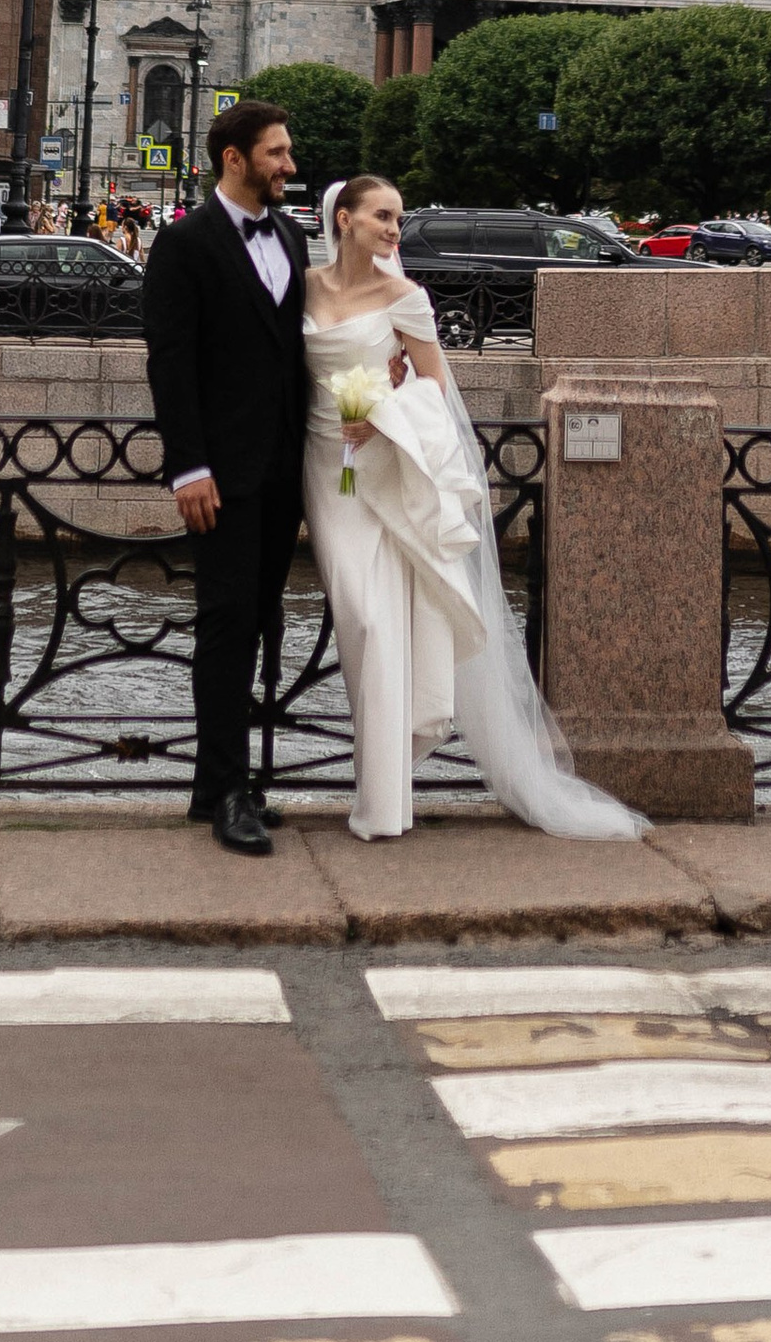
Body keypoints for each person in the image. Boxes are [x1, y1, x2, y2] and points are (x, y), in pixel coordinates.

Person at [302, 170, 643, 845]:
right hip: (323, 467)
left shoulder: (405, 297)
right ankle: (382, 780)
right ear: (344, 219)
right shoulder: (304, 288)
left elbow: (434, 384)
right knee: (361, 617)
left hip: (384, 460)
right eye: (382, 216)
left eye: (398, 218)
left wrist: (383, 412)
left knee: (382, 621)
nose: (394, 229)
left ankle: (383, 795)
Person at [143, 99, 311, 857]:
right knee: (225, 626)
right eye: (276, 153)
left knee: (260, 619)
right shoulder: (184, 243)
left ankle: (221, 785)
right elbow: (170, 365)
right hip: (220, 475)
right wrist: (189, 467)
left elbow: (299, 347)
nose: (289, 165)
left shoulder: (291, 236)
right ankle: (225, 792)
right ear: (234, 158)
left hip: (284, 470)